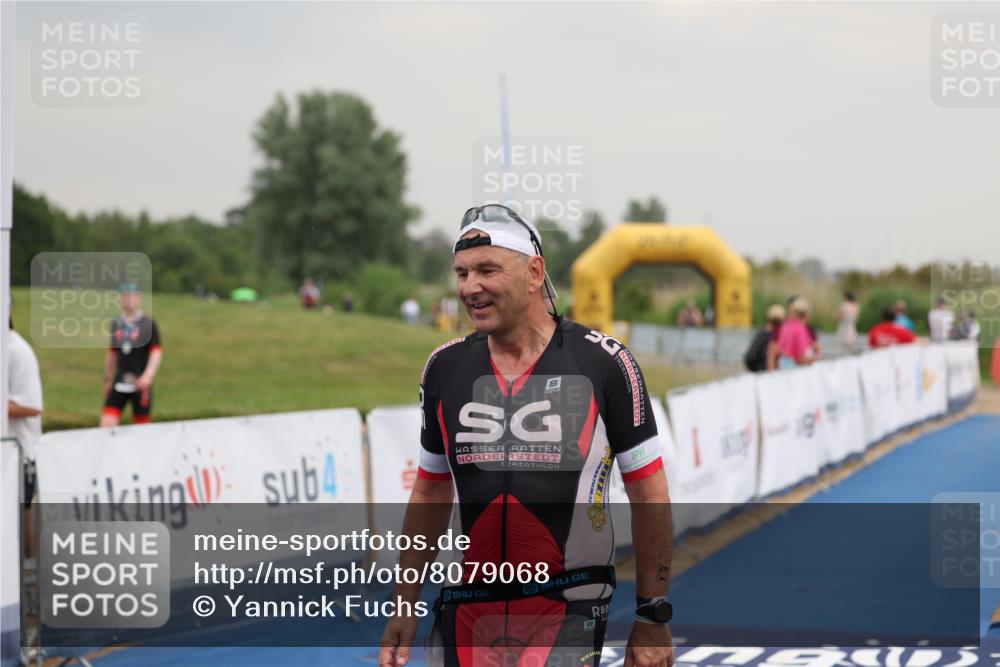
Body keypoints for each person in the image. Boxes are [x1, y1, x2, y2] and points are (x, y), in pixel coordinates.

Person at [380, 204, 674, 667]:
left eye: (487, 270)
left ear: (534, 272)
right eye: (462, 273)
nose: (469, 287)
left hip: (569, 601)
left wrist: (652, 614)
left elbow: (648, 492)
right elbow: (431, 491)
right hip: (468, 607)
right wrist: (404, 603)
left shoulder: (603, 362)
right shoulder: (445, 367)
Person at [8, 305, 43, 558]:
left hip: (20, 457)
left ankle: (28, 575)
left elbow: (32, 406)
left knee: (22, 539)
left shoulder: (17, 351)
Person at [101, 284, 162, 426]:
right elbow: (113, 353)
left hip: (140, 381)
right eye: (125, 296)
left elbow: (156, 351)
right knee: (107, 422)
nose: (129, 299)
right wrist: (107, 378)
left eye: (132, 295)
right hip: (120, 379)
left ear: (139, 298)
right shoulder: (117, 323)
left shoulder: (147, 323)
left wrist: (148, 375)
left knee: (142, 426)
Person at [769, 297, 817, 369]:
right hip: (794, 370)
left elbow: (774, 351)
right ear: (806, 315)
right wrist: (816, 359)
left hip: (783, 368)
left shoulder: (785, 326)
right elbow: (800, 358)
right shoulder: (800, 329)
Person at [744, 305, 784, 373]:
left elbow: (750, 356)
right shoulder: (783, 334)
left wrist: (755, 369)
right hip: (776, 373)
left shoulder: (763, 333)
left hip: (761, 371)